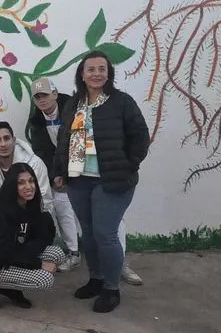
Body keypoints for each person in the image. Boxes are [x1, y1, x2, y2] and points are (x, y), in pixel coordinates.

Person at [53, 51, 150, 313]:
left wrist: (128, 166)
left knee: (106, 234)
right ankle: (95, 279)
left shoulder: (122, 102)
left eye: (102, 69)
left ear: (109, 73)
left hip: (112, 181)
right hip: (79, 180)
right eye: (91, 69)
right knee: (90, 234)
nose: (96, 74)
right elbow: (65, 139)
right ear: (82, 74)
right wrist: (61, 170)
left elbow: (140, 137)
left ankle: (111, 288)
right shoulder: (74, 104)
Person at [26, 77, 143, 283]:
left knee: (111, 221)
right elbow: (46, 151)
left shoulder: (74, 106)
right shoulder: (36, 122)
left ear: (55, 94)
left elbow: (131, 136)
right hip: (72, 174)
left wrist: (128, 165)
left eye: (45, 94)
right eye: (37, 97)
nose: (42, 100)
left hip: (105, 173)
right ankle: (75, 254)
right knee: (70, 212)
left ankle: (120, 263)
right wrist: (58, 174)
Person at [0, 163, 67, 310]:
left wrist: (30, 252)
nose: (28, 186)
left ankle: (8, 286)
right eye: (21, 183)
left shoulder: (30, 204)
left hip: (13, 252)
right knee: (45, 279)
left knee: (58, 254)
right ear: (11, 185)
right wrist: (38, 264)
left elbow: (43, 238)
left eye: (31, 181)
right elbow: (3, 251)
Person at [0, 121, 53, 212]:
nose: (3, 144)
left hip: (35, 217)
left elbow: (45, 200)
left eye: (6, 138)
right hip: (4, 221)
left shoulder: (34, 163)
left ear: (14, 140)